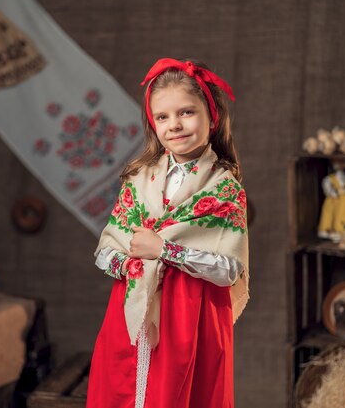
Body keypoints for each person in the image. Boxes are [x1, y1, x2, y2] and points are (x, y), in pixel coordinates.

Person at [86, 58, 250, 408]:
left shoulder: (223, 189)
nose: (174, 125)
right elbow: (106, 248)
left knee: (181, 395)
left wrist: (164, 250)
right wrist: (129, 261)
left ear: (211, 117)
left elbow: (228, 269)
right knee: (124, 391)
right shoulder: (139, 180)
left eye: (186, 113)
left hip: (193, 313)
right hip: (132, 307)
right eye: (162, 117)